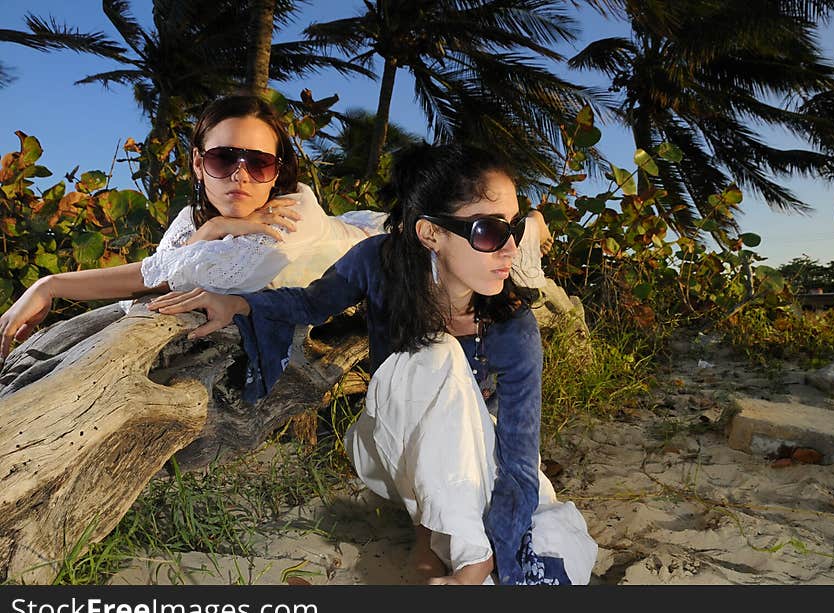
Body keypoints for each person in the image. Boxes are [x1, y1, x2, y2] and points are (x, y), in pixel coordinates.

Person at [147, 142, 597, 585]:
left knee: (545, 530)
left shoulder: (513, 325)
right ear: (430, 234)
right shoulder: (380, 262)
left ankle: (456, 546)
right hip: (394, 441)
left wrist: (508, 542)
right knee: (434, 354)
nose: (510, 249)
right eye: (488, 231)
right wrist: (236, 303)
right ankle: (463, 556)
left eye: (515, 229)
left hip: (480, 456)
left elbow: (517, 459)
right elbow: (309, 304)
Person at [0, 94, 553, 363]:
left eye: (259, 163)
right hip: (367, 244)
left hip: (388, 246)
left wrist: (216, 230)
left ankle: (532, 228)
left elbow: (163, 276)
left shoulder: (291, 217)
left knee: (505, 248)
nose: (240, 174)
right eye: (222, 160)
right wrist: (46, 285)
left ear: (277, 170)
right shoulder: (200, 222)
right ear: (197, 163)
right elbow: (152, 271)